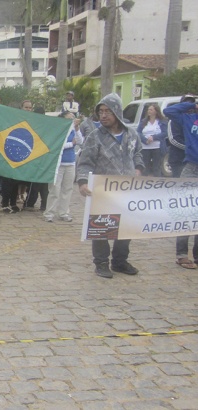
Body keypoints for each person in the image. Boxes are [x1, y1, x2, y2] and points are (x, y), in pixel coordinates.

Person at [77, 93, 144, 279]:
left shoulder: (131, 134)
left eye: (108, 111)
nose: (103, 115)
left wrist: (138, 169)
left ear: (117, 112)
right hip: (103, 190)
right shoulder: (95, 137)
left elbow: (138, 153)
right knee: (102, 228)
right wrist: (83, 182)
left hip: (127, 190)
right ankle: (101, 263)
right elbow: (85, 162)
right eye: (101, 112)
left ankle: (120, 261)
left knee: (126, 227)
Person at [165, 95, 198, 269]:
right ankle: (182, 255)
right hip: (191, 167)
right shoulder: (189, 117)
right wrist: (191, 104)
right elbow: (168, 111)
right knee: (186, 211)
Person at [44, 112, 83, 223]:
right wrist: (71, 144)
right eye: (69, 119)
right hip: (58, 164)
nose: (71, 120)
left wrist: (77, 129)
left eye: (72, 118)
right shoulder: (58, 130)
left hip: (70, 163)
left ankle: (64, 212)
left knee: (67, 189)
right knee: (54, 189)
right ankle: (49, 213)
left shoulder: (73, 130)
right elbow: (57, 145)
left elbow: (80, 141)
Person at [136, 103, 168, 177]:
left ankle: (157, 184)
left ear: (156, 111)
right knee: (145, 167)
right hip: (145, 147)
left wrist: (154, 137)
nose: (149, 111)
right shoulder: (144, 121)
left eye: (151, 109)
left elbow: (165, 133)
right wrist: (145, 140)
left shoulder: (162, 121)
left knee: (156, 167)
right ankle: (144, 184)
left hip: (157, 147)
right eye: (148, 109)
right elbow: (138, 132)